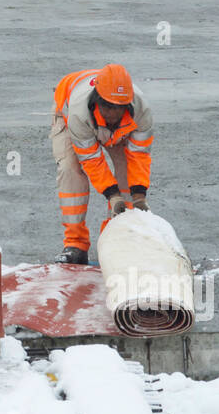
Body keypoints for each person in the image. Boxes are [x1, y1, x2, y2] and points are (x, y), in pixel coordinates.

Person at [50, 63, 153, 265]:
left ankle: (116, 236)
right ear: (98, 101)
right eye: (108, 108)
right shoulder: (79, 114)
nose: (113, 115)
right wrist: (112, 195)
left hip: (123, 126)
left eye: (119, 109)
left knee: (125, 168)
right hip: (69, 115)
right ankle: (75, 244)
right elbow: (91, 160)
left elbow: (139, 156)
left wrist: (139, 196)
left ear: (128, 104)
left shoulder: (142, 111)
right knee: (70, 170)